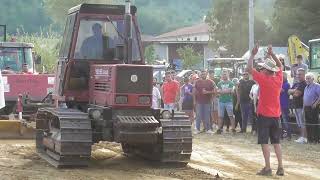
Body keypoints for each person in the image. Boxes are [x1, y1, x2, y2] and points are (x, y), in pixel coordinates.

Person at [248, 44, 284, 176]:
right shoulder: (278, 79)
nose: (261, 70)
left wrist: (252, 54)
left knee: (264, 142)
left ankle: (268, 168)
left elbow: (249, 68)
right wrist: (272, 54)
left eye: (263, 68)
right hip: (276, 115)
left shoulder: (263, 79)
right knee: (276, 142)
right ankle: (280, 167)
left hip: (264, 115)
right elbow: (280, 66)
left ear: (266, 71)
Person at [288, 68, 307, 144]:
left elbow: (297, 94)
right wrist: (294, 91)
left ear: (304, 75)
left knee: (302, 123)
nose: (298, 76)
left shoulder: (304, 84)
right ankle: (301, 137)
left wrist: (293, 91)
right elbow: (288, 91)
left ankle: (304, 138)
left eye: (300, 74)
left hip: (301, 106)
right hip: (295, 106)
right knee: (299, 123)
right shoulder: (296, 83)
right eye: (297, 74)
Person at [193, 70, 215, 134]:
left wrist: (208, 92)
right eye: (202, 74)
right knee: (198, 116)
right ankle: (197, 129)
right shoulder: (197, 82)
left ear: (206, 74)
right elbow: (194, 91)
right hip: (199, 102)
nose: (203, 75)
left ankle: (208, 129)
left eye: (204, 74)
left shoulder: (211, 82)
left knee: (207, 116)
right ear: (200, 75)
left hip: (207, 102)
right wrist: (194, 101)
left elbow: (215, 91)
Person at [216, 70, 236, 134]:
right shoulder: (219, 83)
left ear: (228, 75)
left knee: (231, 115)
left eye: (225, 74)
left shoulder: (231, 83)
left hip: (228, 101)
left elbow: (231, 91)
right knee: (220, 116)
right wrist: (227, 91)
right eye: (223, 74)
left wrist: (222, 91)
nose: (224, 75)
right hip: (221, 101)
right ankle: (219, 129)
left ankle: (233, 128)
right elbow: (218, 91)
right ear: (221, 75)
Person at [303, 73, 320, 143]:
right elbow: (304, 98)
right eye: (306, 78)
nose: (307, 80)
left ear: (313, 79)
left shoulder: (317, 86)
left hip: (313, 108)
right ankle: (310, 140)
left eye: (309, 78)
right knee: (308, 124)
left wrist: (316, 103)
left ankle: (316, 139)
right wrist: (303, 108)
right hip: (306, 108)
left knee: (314, 124)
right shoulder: (306, 87)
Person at [280, 72, 291, 139]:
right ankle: (283, 134)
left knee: (286, 120)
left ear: (285, 77)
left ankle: (289, 135)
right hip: (279, 105)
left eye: (282, 77)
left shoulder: (287, 84)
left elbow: (280, 91)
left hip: (284, 105)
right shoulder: (281, 84)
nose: (281, 78)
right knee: (281, 121)